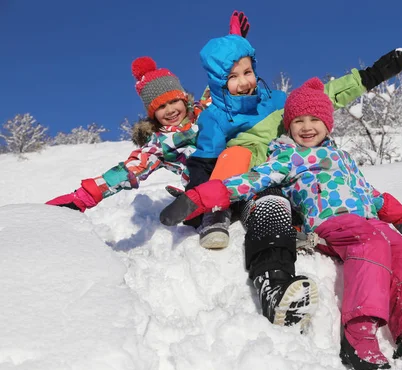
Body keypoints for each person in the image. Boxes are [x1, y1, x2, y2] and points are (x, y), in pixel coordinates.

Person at [161, 77, 402, 370]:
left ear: (328, 124)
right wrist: (198, 198)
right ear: (288, 125)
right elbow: (248, 181)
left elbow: (370, 193)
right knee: (372, 242)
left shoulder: (343, 158)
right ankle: (359, 333)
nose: (306, 127)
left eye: (314, 119)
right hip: (330, 223)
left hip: (368, 220)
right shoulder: (286, 156)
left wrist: (400, 215)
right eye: (298, 120)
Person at [161, 33, 402, 250]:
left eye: (247, 72)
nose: (244, 82)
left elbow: (322, 97)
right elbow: (205, 160)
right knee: (233, 154)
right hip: (249, 178)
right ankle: (216, 215)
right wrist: (193, 200)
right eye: (233, 76)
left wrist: (373, 75)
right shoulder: (215, 117)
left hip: (292, 171)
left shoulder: (277, 100)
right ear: (218, 82)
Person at [44, 12, 249, 218]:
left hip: (236, 169)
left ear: (184, 99)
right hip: (203, 187)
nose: (169, 110)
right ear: (153, 114)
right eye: (160, 107)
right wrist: (84, 196)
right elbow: (128, 170)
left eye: (173, 101)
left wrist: (235, 46)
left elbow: (221, 82)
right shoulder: (159, 143)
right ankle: (197, 207)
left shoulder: (203, 111)